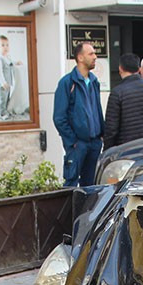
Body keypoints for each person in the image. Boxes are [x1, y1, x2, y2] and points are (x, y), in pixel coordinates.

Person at [52, 41, 104, 187]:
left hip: (94, 143)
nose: (95, 56)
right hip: (77, 144)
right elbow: (59, 117)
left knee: (91, 185)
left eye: (94, 53)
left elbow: (97, 109)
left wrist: (101, 136)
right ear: (80, 58)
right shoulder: (67, 83)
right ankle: (71, 211)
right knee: (71, 183)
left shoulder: (94, 81)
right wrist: (72, 142)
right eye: (91, 53)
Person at [104, 52, 143, 149]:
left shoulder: (117, 92)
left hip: (126, 147)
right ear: (139, 69)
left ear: (120, 68)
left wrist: (107, 149)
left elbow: (111, 128)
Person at [0, 34, 17, 121]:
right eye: (2, 45)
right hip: (2, 84)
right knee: (2, 99)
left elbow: (11, 63)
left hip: (8, 83)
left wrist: (16, 62)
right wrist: (3, 82)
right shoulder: (0, 60)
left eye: (7, 45)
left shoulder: (7, 58)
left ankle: (6, 111)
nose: (5, 47)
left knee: (7, 98)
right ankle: (2, 113)